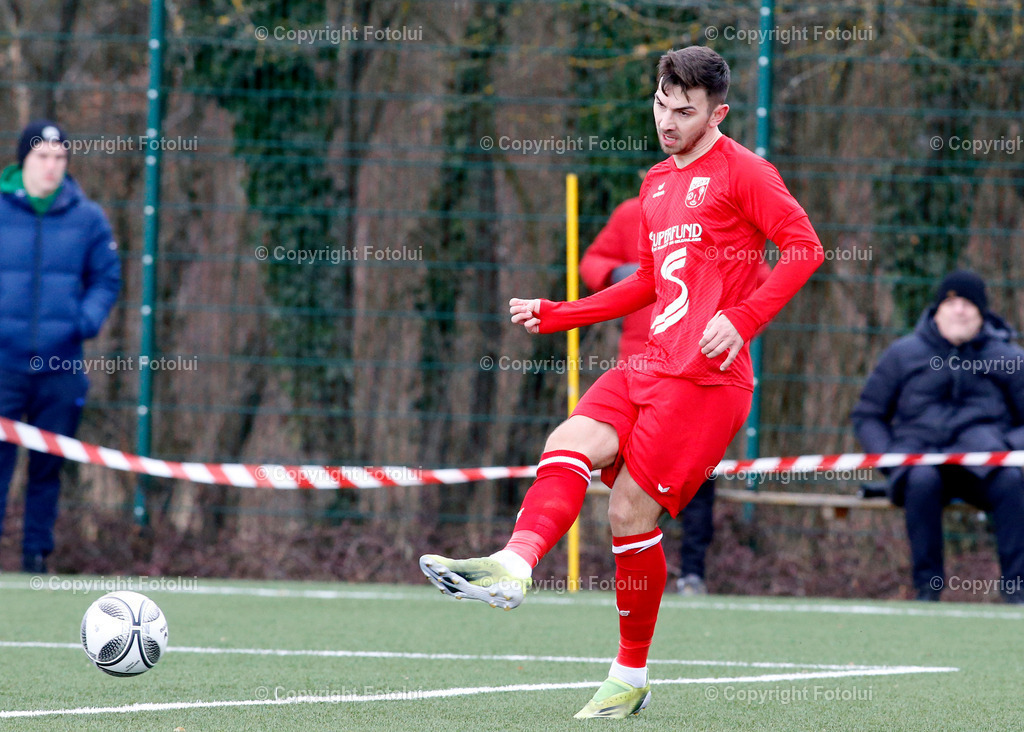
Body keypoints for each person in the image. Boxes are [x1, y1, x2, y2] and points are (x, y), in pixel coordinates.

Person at [420, 46, 823, 719]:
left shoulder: (746, 172)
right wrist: (560, 314)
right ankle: (515, 567)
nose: (668, 120)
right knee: (570, 438)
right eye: (661, 104)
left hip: (706, 380)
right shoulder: (655, 183)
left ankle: (629, 673)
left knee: (629, 513)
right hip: (648, 364)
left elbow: (805, 247)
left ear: (717, 112)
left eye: (684, 111)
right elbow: (645, 282)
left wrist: (744, 319)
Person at [851, 270, 1024, 604]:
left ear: (981, 313)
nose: (960, 310)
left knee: (1012, 482)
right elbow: (867, 414)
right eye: (952, 302)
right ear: (937, 310)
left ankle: (1017, 589)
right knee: (922, 481)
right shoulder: (902, 354)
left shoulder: (1009, 358)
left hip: (985, 465)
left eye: (968, 304)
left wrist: (1005, 450)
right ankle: (927, 589)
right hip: (918, 462)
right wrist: (889, 458)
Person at [0, 120, 121, 573]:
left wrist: (83, 322)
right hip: (3, 364)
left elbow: (107, 278)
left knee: (49, 466)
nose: (51, 166)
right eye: (42, 157)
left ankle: (36, 556)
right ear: (23, 160)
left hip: (60, 364)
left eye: (59, 158)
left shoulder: (87, 217)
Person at [579, 196, 716, 596]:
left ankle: (693, 571)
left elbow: (758, 280)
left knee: (697, 476)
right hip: (640, 367)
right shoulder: (631, 213)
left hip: (700, 372)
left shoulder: (722, 213)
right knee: (629, 475)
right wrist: (616, 274)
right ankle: (631, 570)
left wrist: (732, 328)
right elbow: (593, 262)